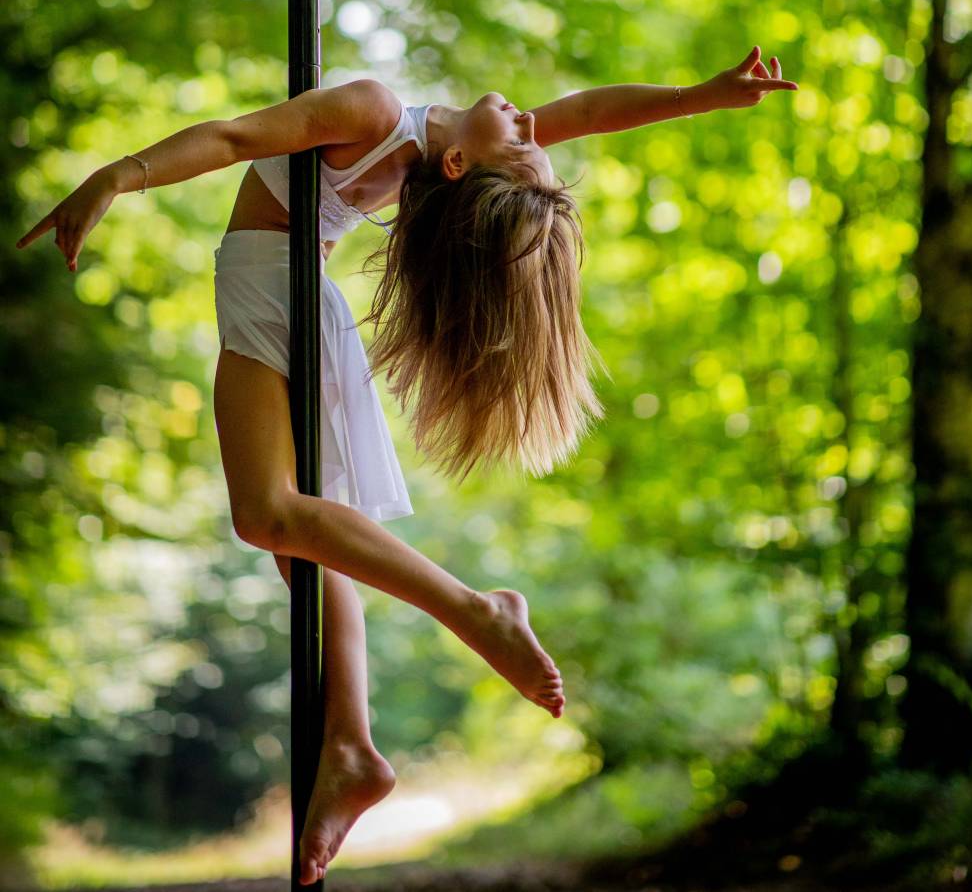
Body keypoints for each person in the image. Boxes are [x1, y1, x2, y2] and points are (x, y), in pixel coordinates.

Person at [16, 44, 797, 882]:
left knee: (272, 517)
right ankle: (351, 747)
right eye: (532, 134)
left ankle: (474, 613)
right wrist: (700, 95)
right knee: (296, 541)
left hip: (280, 296)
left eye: (522, 137)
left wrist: (118, 176)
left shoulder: (374, 112)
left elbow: (236, 138)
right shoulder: (431, 151)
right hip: (272, 290)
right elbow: (590, 111)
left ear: (459, 161)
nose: (534, 122)